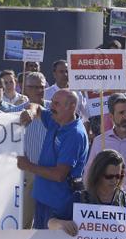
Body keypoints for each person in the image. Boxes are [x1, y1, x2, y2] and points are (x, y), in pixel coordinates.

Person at [18, 90, 89, 228]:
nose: (52, 107)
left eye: (56, 104)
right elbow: (36, 106)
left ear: (71, 106)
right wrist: (32, 112)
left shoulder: (74, 134)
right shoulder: (56, 119)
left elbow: (59, 175)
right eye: (53, 102)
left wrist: (28, 166)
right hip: (43, 198)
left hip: (59, 206)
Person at [19, 72, 49, 227]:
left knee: (48, 224)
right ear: (25, 88)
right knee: (24, 223)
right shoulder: (14, 113)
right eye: (33, 87)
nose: (38, 90)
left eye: (41, 87)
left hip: (50, 172)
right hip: (26, 175)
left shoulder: (55, 110)